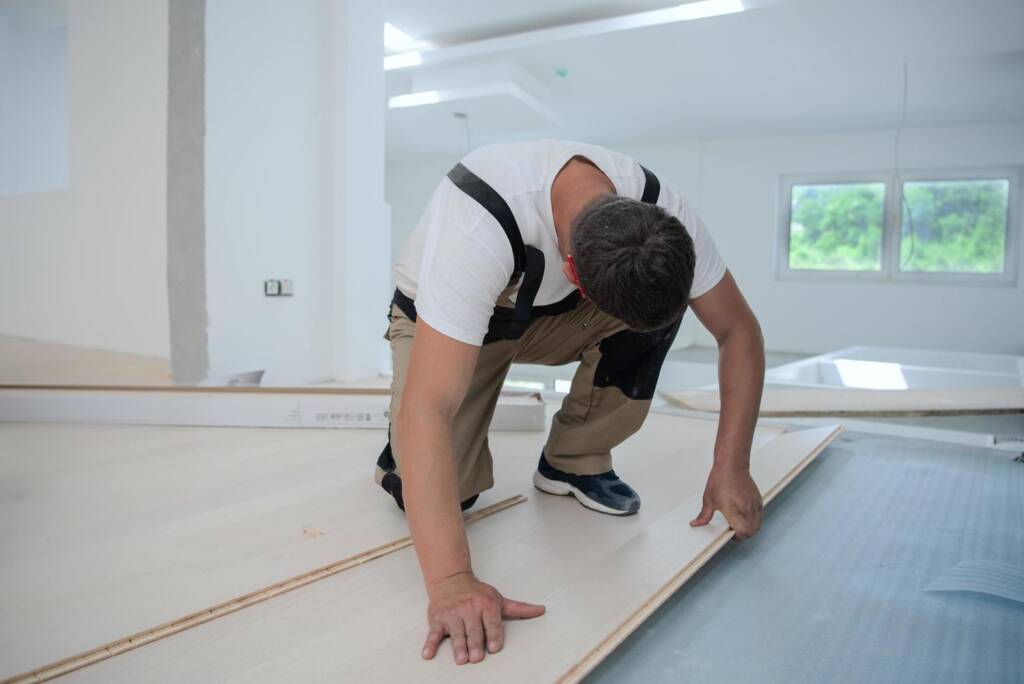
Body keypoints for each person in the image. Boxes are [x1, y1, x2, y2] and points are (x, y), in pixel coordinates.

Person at [374, 140, 765, 666]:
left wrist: (732, 465)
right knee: (441, 490)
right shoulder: (479, 220)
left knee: (656, 311)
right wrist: (451, 582)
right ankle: (394, 456)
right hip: (448, 322)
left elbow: (738, 331)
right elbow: (430, 409)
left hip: (550, 315)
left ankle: (573, 461)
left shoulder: (665, 214)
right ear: (576, 274)